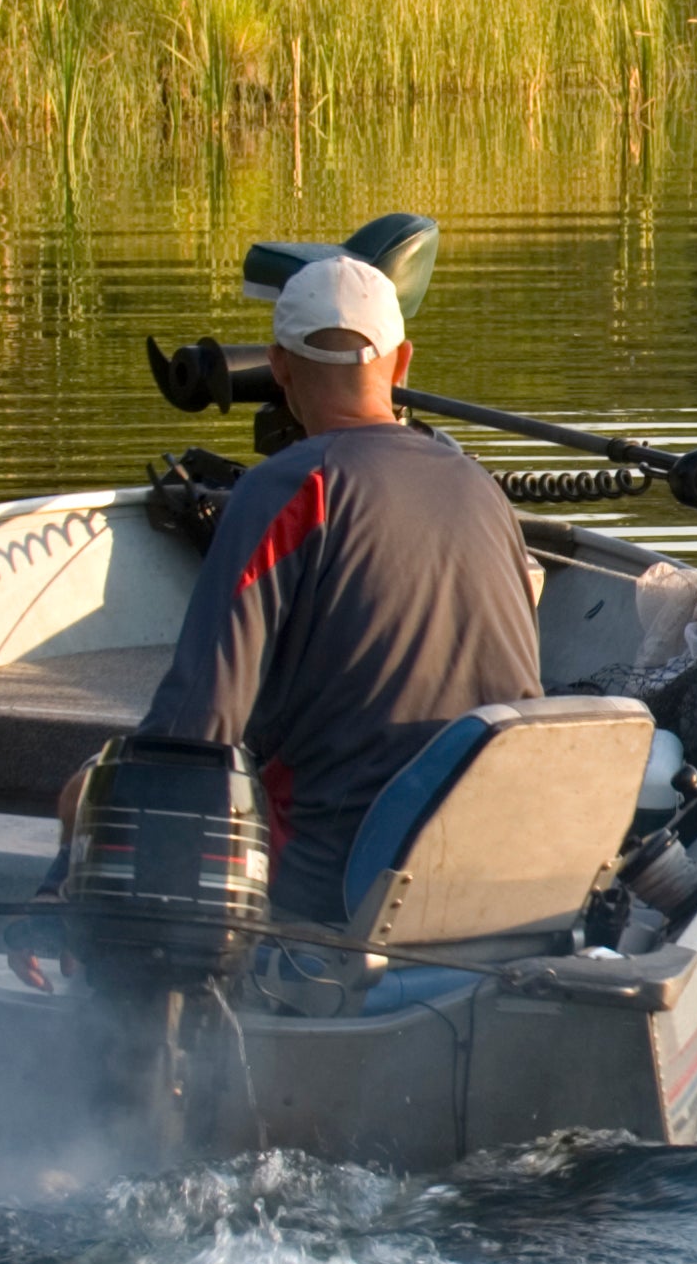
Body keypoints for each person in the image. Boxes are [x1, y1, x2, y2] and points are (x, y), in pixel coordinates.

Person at [133, 252, 540, 924]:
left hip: (328, 901)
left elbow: (197, 727)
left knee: (105, 798)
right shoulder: (481, 490)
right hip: (496, 886)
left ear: (280, 368)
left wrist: (72, 863)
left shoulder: (288, 489)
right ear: (403, 363)